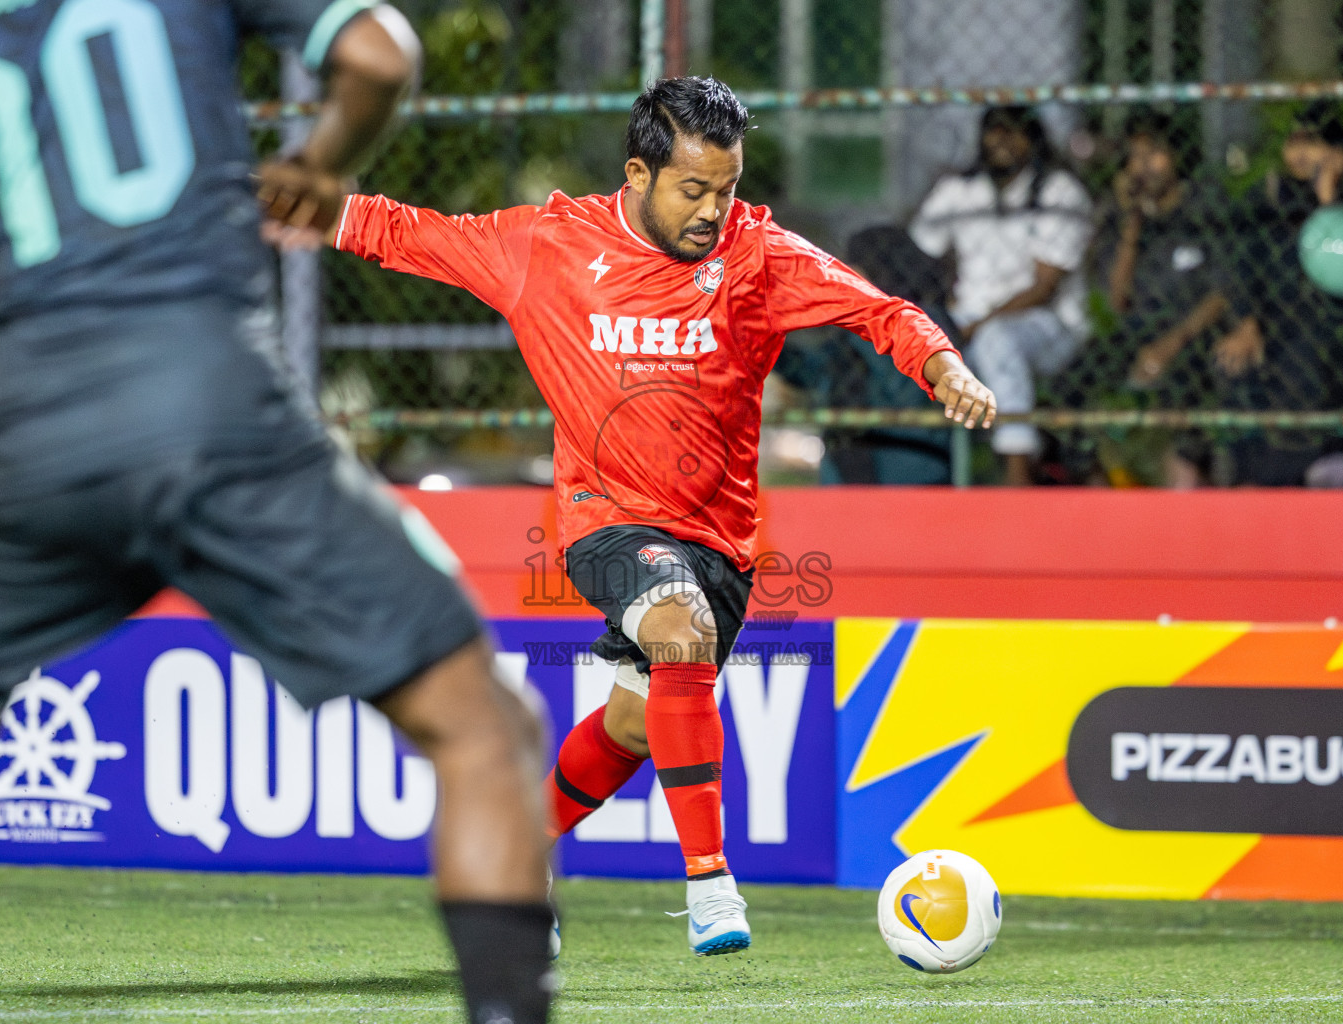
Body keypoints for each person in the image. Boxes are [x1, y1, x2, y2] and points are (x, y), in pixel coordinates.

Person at [0, 4, 554, 1023]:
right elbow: (380, 53)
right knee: (486, 732)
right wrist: (322, 156)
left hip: (36, 439)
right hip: (214, 404)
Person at [327, 76, 995, 956]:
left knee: (636, 724)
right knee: (677, 631)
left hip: (722, 541)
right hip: (603, 522)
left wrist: (944, 366)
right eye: (694, 189)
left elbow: (879, 311)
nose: (716, 209)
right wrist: (279, 200)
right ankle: (711, 883)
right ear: (637, 174)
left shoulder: (758, 256)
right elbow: (400, 232)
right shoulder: (548, 245)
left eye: (728, 188)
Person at [1214, 100, 1343, 487]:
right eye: (1294, 143)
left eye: (1313, 143)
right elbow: (1243, 267)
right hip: (1279, 323)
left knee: (1308, 357)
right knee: (1233, 362)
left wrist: (1328, 200)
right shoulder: (1271, 198)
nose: (1300, 154)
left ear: (1337, 152)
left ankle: (1318, 470)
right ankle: (1250, 478)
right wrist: (1248, 321)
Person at [909, 105, 1092, 486]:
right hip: (967, 321)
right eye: (994, 131)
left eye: (1014, 132)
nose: (1002, 141)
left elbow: (1045, 287)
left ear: (1033, 140)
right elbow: (914, 257)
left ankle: (1017, 469)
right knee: (908, 341)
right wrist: (942, 309)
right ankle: (916, 473)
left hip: (1047, 327)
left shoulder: (1059, 192)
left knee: (999, 339)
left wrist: (978, 325)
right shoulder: (960, 190)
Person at [1085, 112, 1233, 487]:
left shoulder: (1206, 205)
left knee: (1188, 379)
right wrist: (1131, 224)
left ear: (1177, 156)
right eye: (1134, 157)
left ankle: (1186, 480)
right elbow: (1118, 300)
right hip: (1140, 331)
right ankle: (1087, 477)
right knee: (1079, 374)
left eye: (1153, 154)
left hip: (1195, 331)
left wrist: (1172, 344)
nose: (1143, 167)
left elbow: (1223, 293)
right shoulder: (1124, 221)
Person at [773, 226, 958, 484]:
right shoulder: (848, 330)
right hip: (845, 483)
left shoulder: (923, 320)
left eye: (853, 267)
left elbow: (909, 395)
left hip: (909, 482)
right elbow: (814, 374)